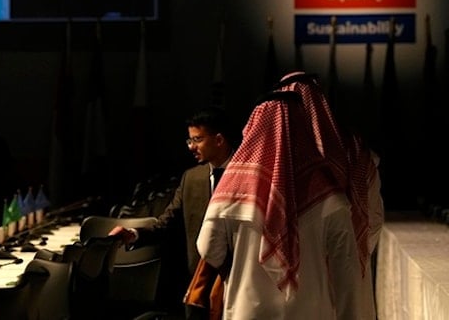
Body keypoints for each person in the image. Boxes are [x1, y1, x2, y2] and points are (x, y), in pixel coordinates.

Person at [195, 89, 362, 319]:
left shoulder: (231, 188)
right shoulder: (329, 196)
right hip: (311, 311)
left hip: (249, 310)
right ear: (303, 131)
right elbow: (346, 270)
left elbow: (208, 250)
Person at [274, 71, 384, 320]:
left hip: (290, 275)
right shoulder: (355, 152)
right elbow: (374, 220)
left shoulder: (276, 160)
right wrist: (352, 254)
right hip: (348, 267)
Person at [110, 108, 236, 291]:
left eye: (197, 139)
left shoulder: (248, 173)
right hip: (199, 282)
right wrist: (132, 234)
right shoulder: (191, 178)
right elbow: (166, 222)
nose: (191, 147)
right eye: (189, 140)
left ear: (218, 140)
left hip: (238, 279)